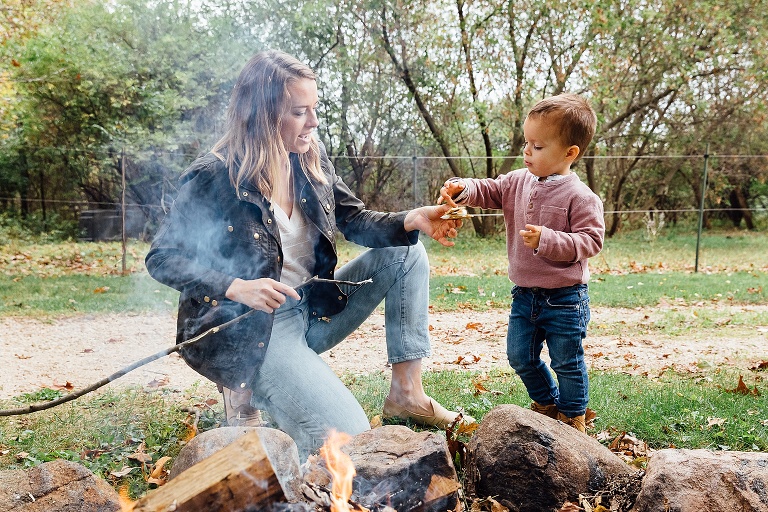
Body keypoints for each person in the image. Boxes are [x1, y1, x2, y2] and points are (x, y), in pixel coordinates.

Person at [145, 49, 474, 459]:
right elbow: (162, 257)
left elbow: (355, 220)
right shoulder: (213, 176)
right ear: (262, 115)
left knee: (406, 255)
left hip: (314, 306)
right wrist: (235, 287)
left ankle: (406, 393)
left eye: (314, 109)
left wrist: (412, 219)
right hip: (256, 330)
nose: (314, 122)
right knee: (347, 437)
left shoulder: (308, 161)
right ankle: (246, 386)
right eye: (300, 112)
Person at [439, 93, 604, 432]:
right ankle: (546, 403)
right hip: (524, 295)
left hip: (565, 298)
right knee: (520, 355)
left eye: (538, 146)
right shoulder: (517, 180)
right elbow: (490, 190)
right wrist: (464, 189)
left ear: (569, 153)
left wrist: (548, 240)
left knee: (567, 361)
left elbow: (591, 241)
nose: (527, 151)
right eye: (527, 142)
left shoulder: (581, 196)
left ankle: (573, 419)